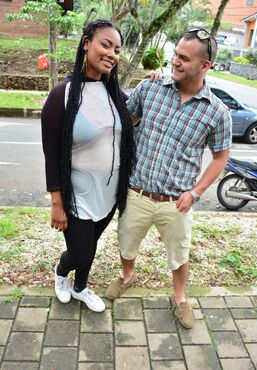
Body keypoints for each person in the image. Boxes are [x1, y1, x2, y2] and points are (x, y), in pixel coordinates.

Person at [105, 29, 232, 328]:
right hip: (137, 192)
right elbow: (123, 121)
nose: (175, 62)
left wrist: (196, 192)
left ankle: (180, 298)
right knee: (126, 244)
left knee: (179, 254)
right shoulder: (150, 89)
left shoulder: (217, 112)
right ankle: (126, 276)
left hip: (177, 201)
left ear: (204, 66)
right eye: (175, 54)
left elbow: (220, 158)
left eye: (184, 59)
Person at [41, 20, 135, 312]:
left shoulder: (117, 95)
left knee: (91, 247)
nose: (111, 54)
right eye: (105, 44)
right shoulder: (63, 95)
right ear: (86, 43)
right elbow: (51, 154)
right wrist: (57, 203)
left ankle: (80, 287)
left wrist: (155, 81)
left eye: (117, 49)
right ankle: (61, 272)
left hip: (109, 194)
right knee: (81, 253)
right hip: (77, 194)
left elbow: (137, 119)